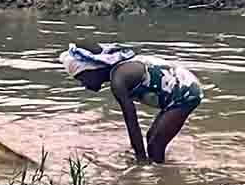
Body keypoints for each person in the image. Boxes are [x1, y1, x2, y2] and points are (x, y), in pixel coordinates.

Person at [59, 41, 203, 164]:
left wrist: (140, 159)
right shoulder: (119, 71)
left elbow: (131, 120)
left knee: (155, 146)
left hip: (185, 93)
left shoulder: (119, 79)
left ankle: (161, 181)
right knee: (151, 139)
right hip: (183, 87)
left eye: (81, 78)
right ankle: (160, 171)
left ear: (91, 70)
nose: (83, 85)